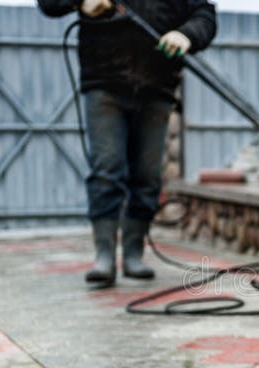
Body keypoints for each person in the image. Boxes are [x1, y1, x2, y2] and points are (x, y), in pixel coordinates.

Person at [38, 0, 217, 285]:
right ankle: (104, 256)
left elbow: (204, 14)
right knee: (107, 169)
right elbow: (49, 4)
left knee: (147, 176)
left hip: (157, 86)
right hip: (104, 82)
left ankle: (134, 254)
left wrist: (186, 35)